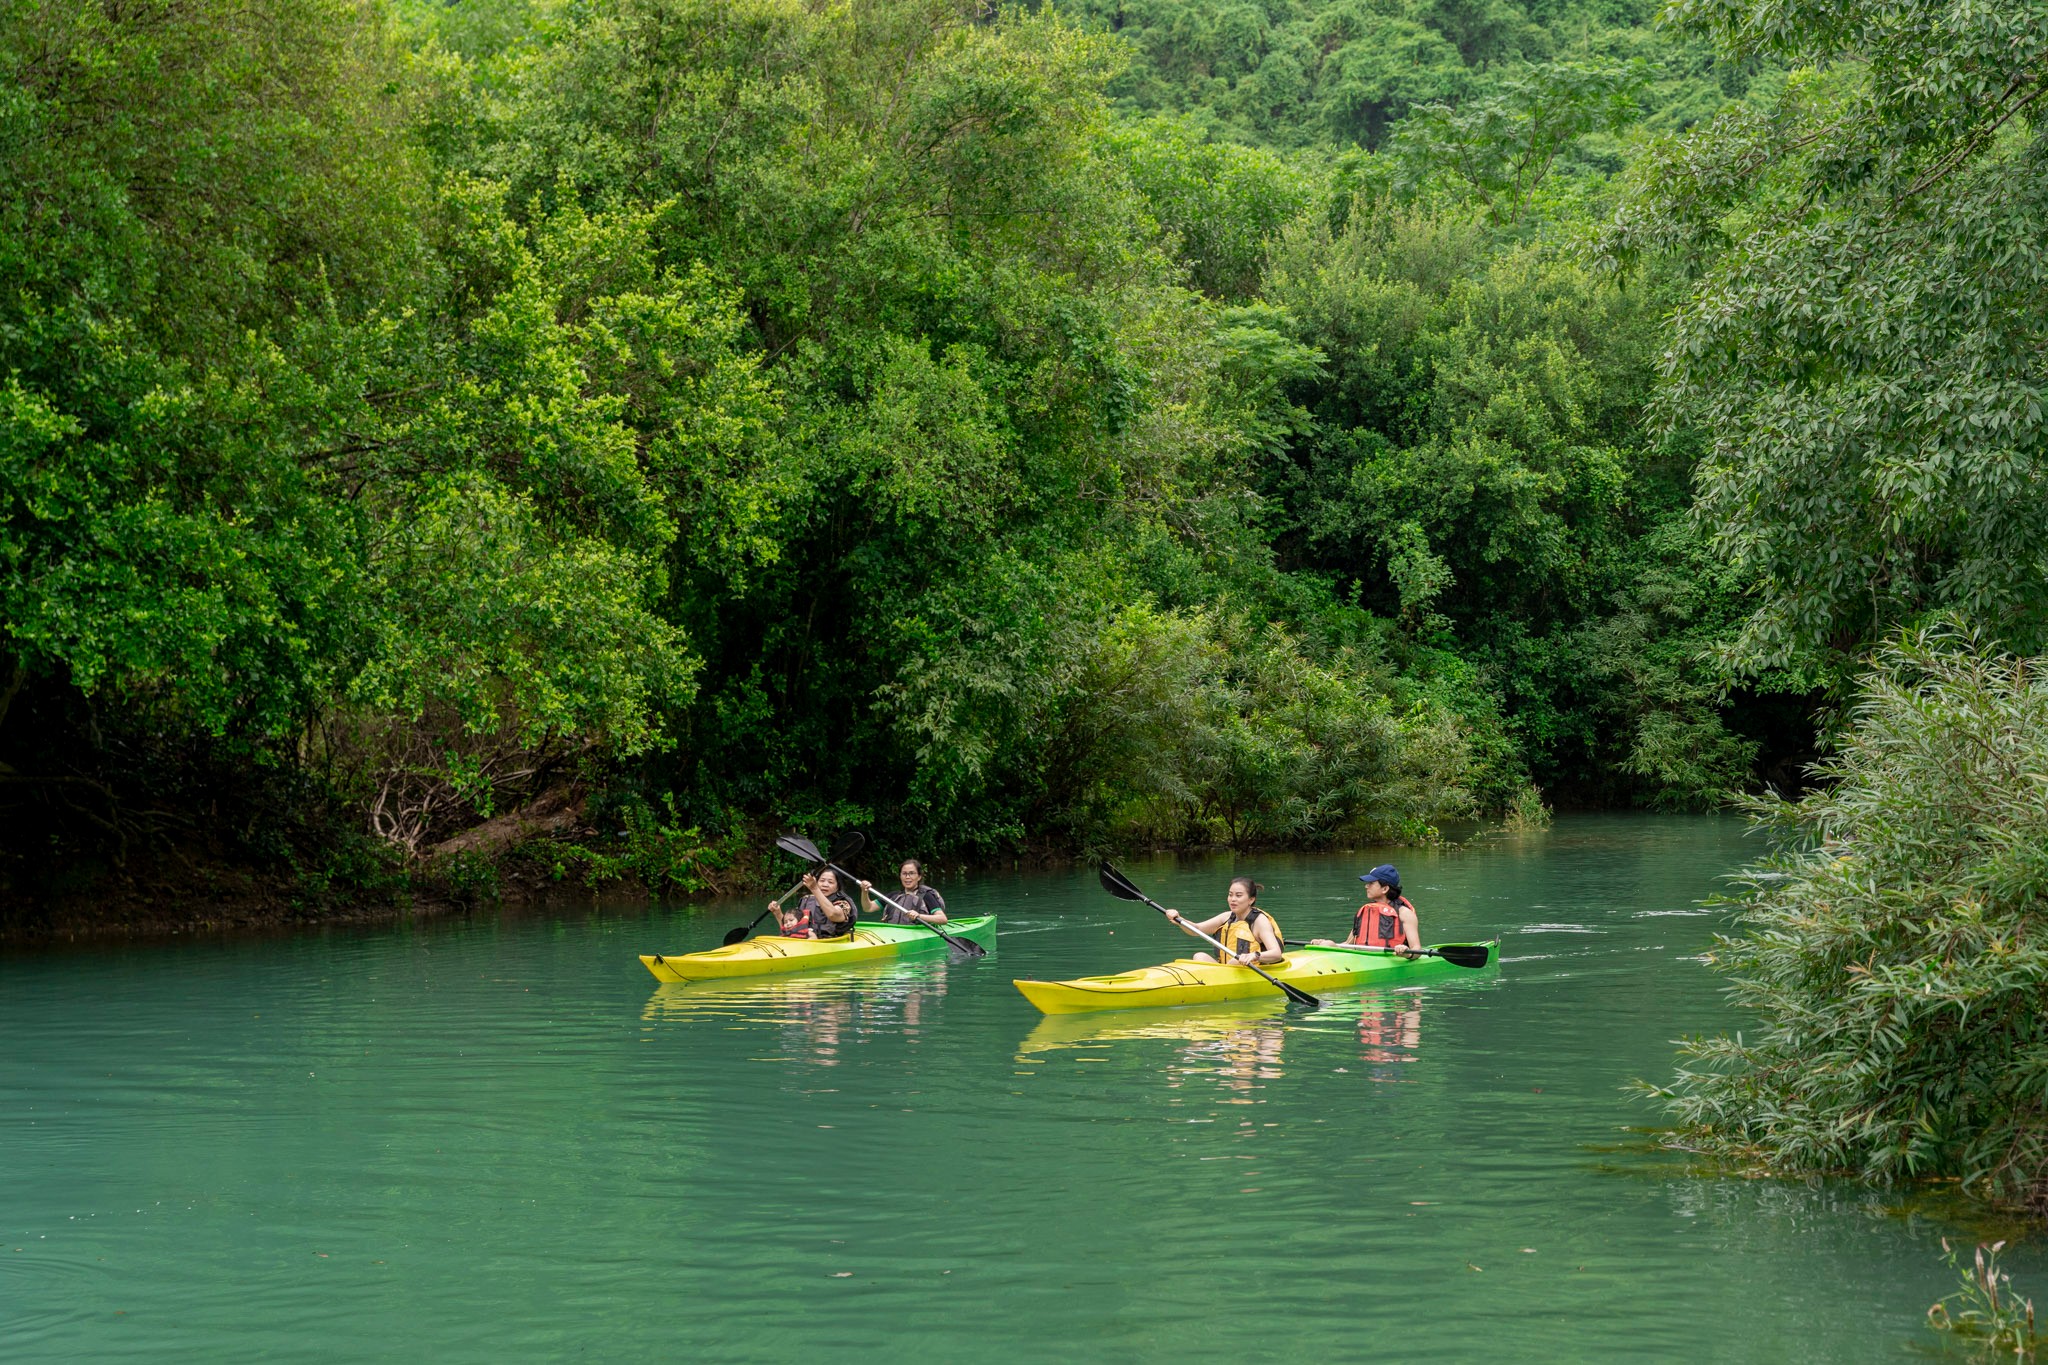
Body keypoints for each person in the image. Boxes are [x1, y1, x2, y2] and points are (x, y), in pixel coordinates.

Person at [1163, 876, 1285, 967]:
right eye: (1230, 895)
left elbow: (1276, 954)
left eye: (1238, 895)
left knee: (1235, 960)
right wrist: (1179, 919)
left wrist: (1254, 955)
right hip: (1227, 970)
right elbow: (1197, 930)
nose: (1232, 899)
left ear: (1251, 900)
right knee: (1199, 956)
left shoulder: (1259, 921)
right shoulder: (1226, 917)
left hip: (1252, 970)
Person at [1312, 863, 1419, 956]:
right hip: (1362, 956)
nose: (1366, 886)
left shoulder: (1405, 914)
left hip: (1391, 957)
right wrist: (1325, 944)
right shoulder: (1366, 912)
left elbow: (1416, 949)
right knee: (1327, 944)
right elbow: (1348, 944)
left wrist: (1406, 952)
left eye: (1371, 883)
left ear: (1385, 888)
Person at [858, 858, 949, 927]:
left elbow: (943, 919)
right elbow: (868, 908)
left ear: (919, 877)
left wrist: (919, 916)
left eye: (912, 873)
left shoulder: (926, 896)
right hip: (892, 932)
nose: (907, 877)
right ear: (900, 876)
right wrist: (864, 892)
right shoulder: (893, 896)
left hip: (916, 932)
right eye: (904, 874)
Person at [769, 868, 856, 940]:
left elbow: (833, 915)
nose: (825, 884)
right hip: (805, 941)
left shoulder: (843, 903)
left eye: (830, 882)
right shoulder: (806, 900)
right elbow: (791, 927)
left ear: (838, 886)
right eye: (822, 881)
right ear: (817, 882)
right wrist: (778, 913)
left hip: (831, 942)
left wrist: (814, 889)